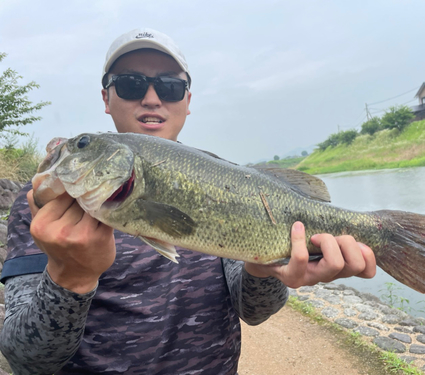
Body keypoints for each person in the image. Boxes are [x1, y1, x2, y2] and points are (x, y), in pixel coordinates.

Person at [0, 28, 376, 374]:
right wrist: (72, 277)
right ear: (106, 97)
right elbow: (26, 356)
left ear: (187, 100)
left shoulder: (225, 179)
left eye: (169, 86)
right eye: (130, 84)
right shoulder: (44, 206)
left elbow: (254, 311)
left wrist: (265, 270)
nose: (151, 98)